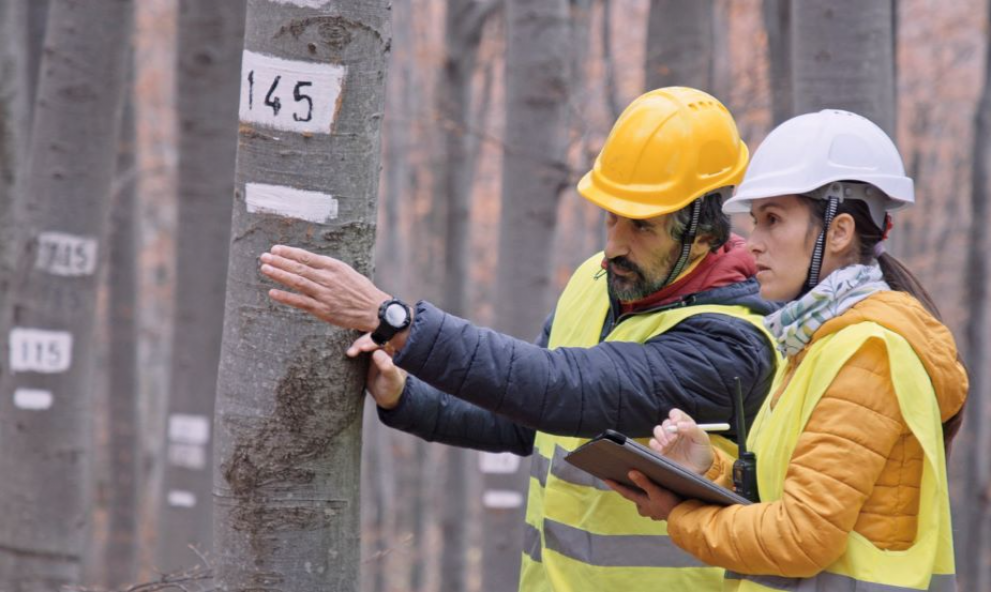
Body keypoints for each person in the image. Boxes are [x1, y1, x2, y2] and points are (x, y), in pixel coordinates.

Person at [259, 87, 779, 591]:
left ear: (704, 230)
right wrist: (405, 395)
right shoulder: (594, 283)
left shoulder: (732, 342)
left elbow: (563, 392)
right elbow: (525, 418)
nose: (613, 246)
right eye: (611, 217)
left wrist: (398, 321)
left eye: (642, 227)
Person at [607, 109, 968, 591]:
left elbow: (801, 538)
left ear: (838, 233)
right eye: (754, 222)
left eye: (773, 220)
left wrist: (681, 515)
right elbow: (788, 494)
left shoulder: (870, 354)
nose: (752, 244)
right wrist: (707, 468)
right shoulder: (813, 341)